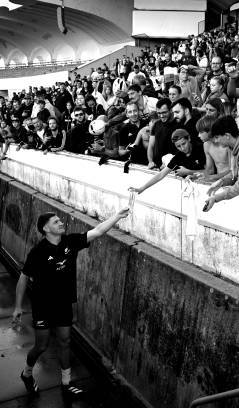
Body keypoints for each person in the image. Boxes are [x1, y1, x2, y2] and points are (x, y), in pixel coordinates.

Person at [13, 208, 130, 398]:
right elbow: (24, 277)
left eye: (60, 221)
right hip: (43, 305)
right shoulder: (38, 252)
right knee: (41, 346)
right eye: (56, 222)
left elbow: (98, 231)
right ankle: (27, 373)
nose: (61, 223)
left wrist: (117, 216)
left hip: (63, 303)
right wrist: (18, 306)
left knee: (65, 341)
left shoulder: (70, 242)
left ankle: (66, 383)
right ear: (45, 228)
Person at [129, 129, 205, 194]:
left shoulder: (201, 149)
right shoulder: (179, 156)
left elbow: (211, 171)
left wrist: (188, 172)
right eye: (178, 146)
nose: (182, 148)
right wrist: (142, 188)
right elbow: (161, 174)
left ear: (189, 139)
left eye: (184, 144)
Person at [196, 115, 231, 182]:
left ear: (209, 131)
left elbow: (233, 171)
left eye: (201, 132)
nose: (198, 135)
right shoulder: (206, 145)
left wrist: (212, 177)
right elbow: (210, 170)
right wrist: (197, 176)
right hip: (218, 180)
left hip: (231, 180)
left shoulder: (227, 144)